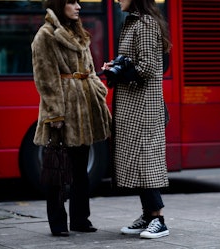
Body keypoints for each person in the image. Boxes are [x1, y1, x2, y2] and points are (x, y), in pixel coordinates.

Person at [31, 0, 111, 237]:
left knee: (80, 169)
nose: (78, 7)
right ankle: (57, 223)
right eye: (71, 2)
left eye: (78, 2)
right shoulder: (45, 35)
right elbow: (45, 78)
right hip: (63, 110)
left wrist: (98, 91)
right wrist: (55, 113)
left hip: (84, 108)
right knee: (58, 170)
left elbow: (91, 70)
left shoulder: (78, 32)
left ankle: (80, 219)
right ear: (58, 4)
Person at [101, 0, 171, 239]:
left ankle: (159, 219)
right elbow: (134, 61)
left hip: (144, 107)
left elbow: (148, 67)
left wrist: (118, 72)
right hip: (133, 106)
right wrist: (116, 67)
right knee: (136, 160)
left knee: (146, 161)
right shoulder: (133, 22)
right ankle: (148, 215)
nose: (117, 0)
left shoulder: (146, 23)